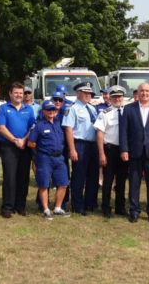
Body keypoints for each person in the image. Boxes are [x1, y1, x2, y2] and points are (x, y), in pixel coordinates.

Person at [119, 83, 149, 224]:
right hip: (135, 152)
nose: (144, 93)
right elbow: (124, 132)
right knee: (134, 183)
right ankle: (134, 211)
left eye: (147, 91)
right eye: (142, 91)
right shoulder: (129, 109)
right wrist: (124, 149)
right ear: (138, 93)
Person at [0, 82, 35, 218]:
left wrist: (24, 140)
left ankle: (20, 206)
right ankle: (7, 207)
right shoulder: (3, 108)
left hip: (24, 146)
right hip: (9, 146)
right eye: (16, 93)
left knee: (23, 177)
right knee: (9, 177)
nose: (19, 95)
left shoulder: (29, 109)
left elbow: (32, 127)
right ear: (10, 93)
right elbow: (1, 127)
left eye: (21, 93)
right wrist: (14, 140)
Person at [28, 100, 70, 220]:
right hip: (45, 158)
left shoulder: (59, 124)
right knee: (44, 185)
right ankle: (46, 209)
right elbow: (31, 143)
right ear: (43, 111)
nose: (52, 112)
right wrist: (42, 150)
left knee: (63, 183)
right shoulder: (39, 125)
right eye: (49, 110)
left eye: (54, 109)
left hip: (59, 158)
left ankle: (57, 208)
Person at [62, 82, 99, 215]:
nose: (88, 95)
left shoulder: (92, 108)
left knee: (93, 176)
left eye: (89, 93)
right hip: (80, 144)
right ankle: (77, 205)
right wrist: (72, 149)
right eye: (85, 92)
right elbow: (68, 129)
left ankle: (90, 203)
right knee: (79, 176)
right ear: (78, 93)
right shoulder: (71, 109)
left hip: (93, 145)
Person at [93, 85, 128, 218]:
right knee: (108, 180)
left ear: (123, 97)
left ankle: (120, 206)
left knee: (122, 180)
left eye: (119, 96)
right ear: (111, 98)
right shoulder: (105, 113)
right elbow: (100, 133)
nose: (117, 99)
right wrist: (101, 153)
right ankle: (106, 207)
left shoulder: (128, 112)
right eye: (114, 96)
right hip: (110, 149)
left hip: (124, 150)